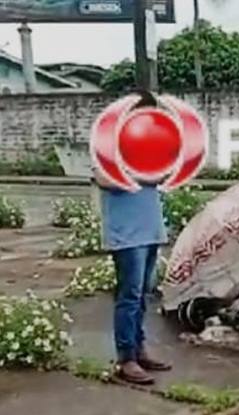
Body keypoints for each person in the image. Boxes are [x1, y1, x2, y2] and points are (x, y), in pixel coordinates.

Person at [92, 90, 170, 385]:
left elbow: (164, 174)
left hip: (150, 229)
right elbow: (102, 177)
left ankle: (140, 348)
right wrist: (139, 174)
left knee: (145, 294)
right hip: (126, 235)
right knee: (129, 295)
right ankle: (126, 359)